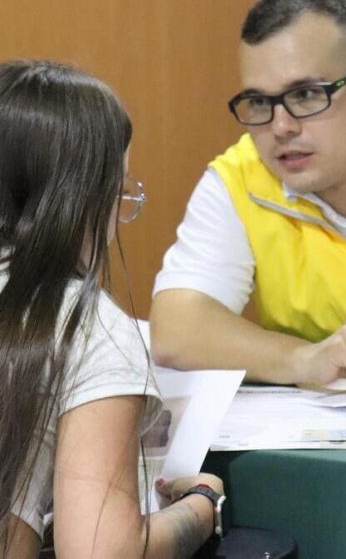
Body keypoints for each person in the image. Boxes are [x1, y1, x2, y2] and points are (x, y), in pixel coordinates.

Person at [0, 59, 223, 559]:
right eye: (118, 189)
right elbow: (102, 549)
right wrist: (202, 505)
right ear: (85, 198)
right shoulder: (89, 328)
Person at [150, 0, 346, 386]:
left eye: (306, 94)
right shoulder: (242, 179)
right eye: (260, 103)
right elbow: (177, 329)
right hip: (335, 420)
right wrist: (304, 359)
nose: (281, 127)